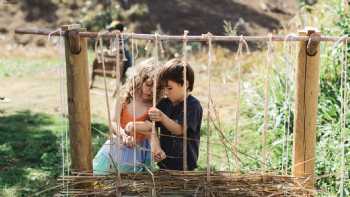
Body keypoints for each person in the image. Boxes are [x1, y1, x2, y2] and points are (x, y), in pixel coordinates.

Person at [93, 59, 165, 175]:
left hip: (139, 152)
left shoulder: (155, 104)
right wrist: (123, 134)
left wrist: (156, 149)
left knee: (132, 184)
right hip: (119, 145)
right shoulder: (124, 95)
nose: (151, 91)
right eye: (148, 85)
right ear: (140, 79)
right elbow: (113, 122)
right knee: (105, 178)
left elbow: (151, 131)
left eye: (156, 88)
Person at [148, 59, 203, 171]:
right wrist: (156, 147)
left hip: (185, 165)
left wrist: (162, 117)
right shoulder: (164, 104)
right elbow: (151, 128)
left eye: (169, 88)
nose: (166, 92)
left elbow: (179, 130)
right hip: (164, 162)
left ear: (186, 84)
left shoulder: (193, 106)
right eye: (164, 88)